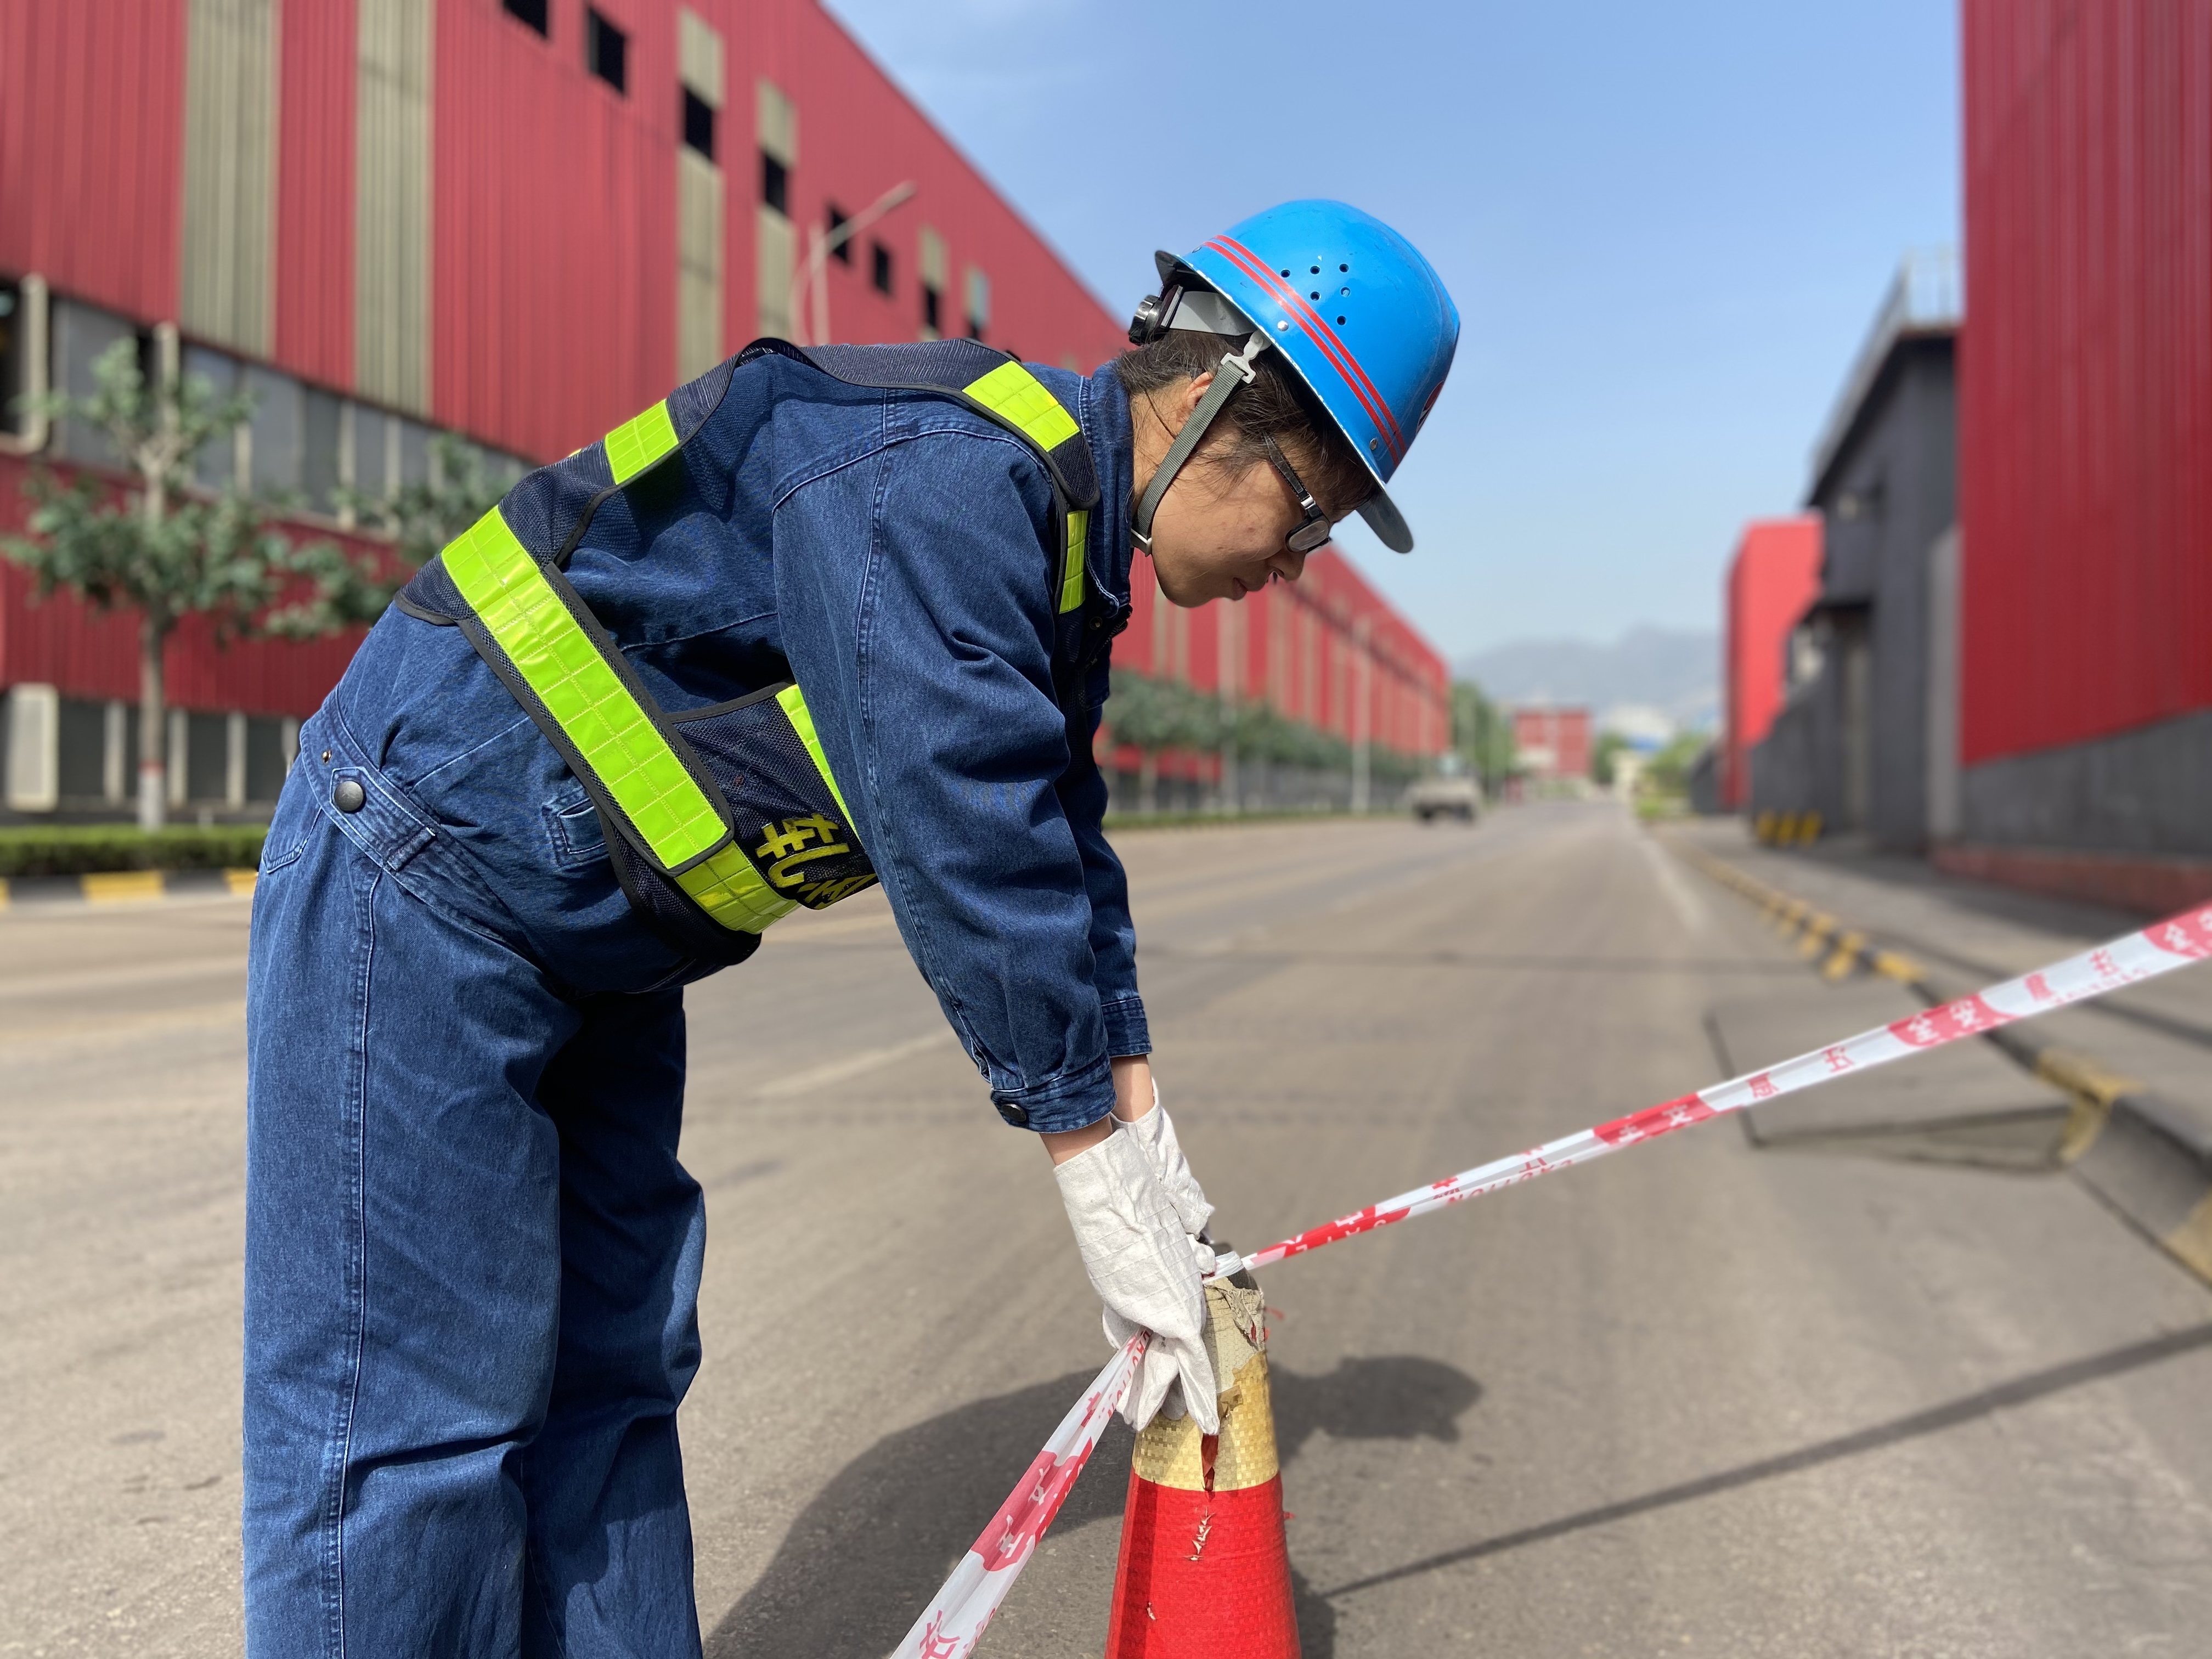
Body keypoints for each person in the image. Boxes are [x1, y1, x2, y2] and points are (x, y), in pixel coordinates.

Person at [242, 199, 1457, 1655]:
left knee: (610, 1385)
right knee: (414, 1424)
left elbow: (1063, 852)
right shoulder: (944, 481)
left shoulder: (1061, 561)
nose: (1300, 559)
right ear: (1211, 401)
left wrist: (1153, 1158)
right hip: (424, 864)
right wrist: (1088, 1159)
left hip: (605, 940)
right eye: (1312, 509)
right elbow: (970, 830)